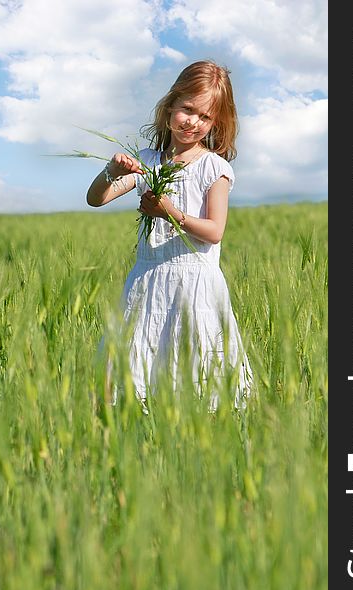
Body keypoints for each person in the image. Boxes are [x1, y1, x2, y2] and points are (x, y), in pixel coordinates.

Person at [87, 60, 252, 411]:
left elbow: (215, 231)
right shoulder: (147, 161)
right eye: (187, 110)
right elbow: (96, 199)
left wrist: (171, 213)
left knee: (195, 375)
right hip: (147, 282)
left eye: (205, 117)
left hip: (195, 286)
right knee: (138, 372)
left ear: (216, 123)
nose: (193, 122)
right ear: (170, 106)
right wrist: (111, 171)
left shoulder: (214, 168)